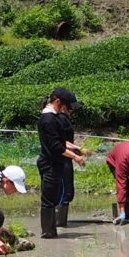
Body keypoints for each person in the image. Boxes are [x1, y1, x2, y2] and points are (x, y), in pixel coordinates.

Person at [37, 87, 86, 238]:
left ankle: (51, 231)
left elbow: (60, 142)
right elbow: (56, 146)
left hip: (54, 162)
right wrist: (75, 157)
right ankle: (48, 231)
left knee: (53, 198)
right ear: (57, 101)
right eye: (66, 105)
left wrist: (76, 148)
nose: (68, 109)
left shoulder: (53, 117)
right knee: (49, 199)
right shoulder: (49, 119)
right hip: (50, 163)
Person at [56, 99, 85, 228]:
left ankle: (60, 222)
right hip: (61, 159)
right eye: (71, 108)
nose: (72, 111)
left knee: (68, 190)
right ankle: (58, 222)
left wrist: (77, 150)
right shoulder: (60, 120)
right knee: (64, 191)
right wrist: (76, 152)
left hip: (67, 157)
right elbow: (61, 143)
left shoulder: (65, 119)